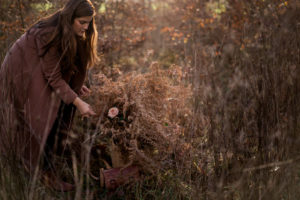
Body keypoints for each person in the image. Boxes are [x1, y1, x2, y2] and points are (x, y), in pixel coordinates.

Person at [0, 0, 98, 191]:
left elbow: (65, 64)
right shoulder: (48, 33)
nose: (86, 27)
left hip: (38, 70)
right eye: (82, 22)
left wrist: (76, 89)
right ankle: (37, 175)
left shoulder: (71, 31)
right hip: (21, 71)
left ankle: (46, 172)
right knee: (40, 116)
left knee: (58, 110)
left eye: (89, 23)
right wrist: (78, 103)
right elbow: (53, 76)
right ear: (70, 19)